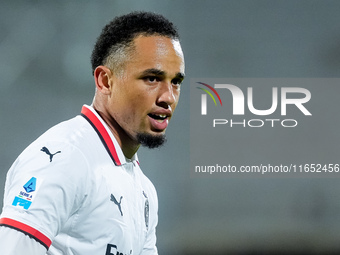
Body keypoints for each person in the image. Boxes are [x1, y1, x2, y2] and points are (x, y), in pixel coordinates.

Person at [0, 11, 185, 255]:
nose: (168, 97)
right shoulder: (64, 157)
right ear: (105, 81)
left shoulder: (143, 189)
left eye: (176, 82)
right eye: (152, 78)